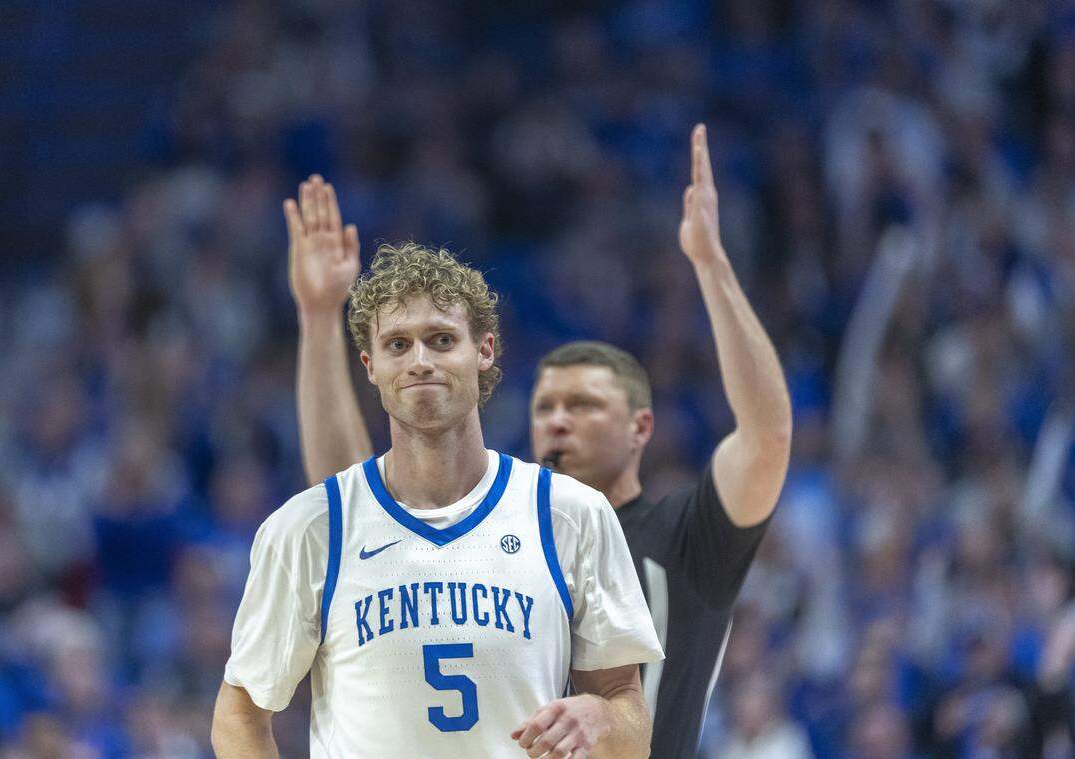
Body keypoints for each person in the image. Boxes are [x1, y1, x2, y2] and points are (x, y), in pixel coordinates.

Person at [292, 124, 793, 757]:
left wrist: (711, 265)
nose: (558, 420)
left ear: (641, 427)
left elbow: (768, 434)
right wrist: (316, 319)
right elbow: (346, 496)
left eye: (584, 405)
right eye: (545, 406)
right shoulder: (500, 527)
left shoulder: (688, 537)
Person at [212, 191, 664, 757]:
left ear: (486, 350)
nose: (420, 360)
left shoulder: (572, 514)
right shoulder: (307, 528)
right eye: (398, 345)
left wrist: (602, 716)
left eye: (442, 340)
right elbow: (240, 714)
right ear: (371, 368)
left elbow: (631, 717)